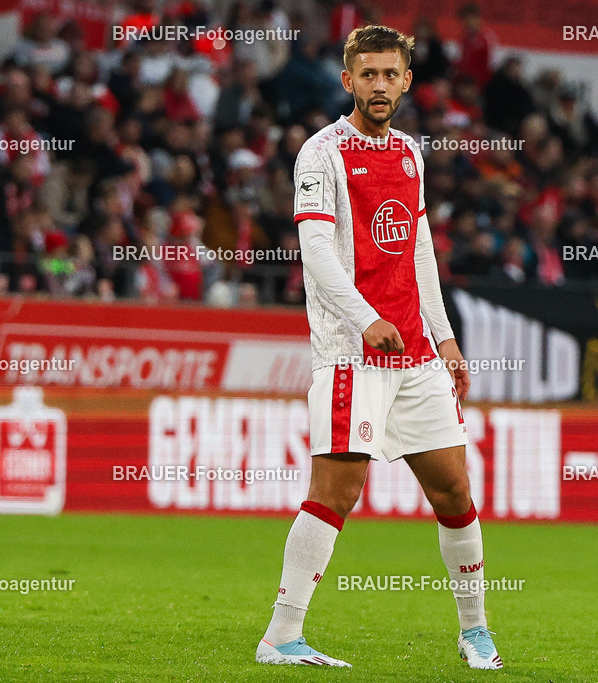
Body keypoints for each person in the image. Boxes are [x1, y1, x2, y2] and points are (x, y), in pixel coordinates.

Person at [256, 25, 502, 670]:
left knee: (453, 490)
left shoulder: (411, 156)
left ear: (407, 81)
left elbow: (418, 251)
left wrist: (445, 338)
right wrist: (365, 319)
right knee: (336, 491)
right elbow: (314, 252)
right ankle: (282, 635)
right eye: (368, 74)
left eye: (391, 74)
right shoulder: (321, 153)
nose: (380, 85)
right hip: (352, 351)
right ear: (349, 81)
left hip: (415, 352)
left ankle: (475, 630)